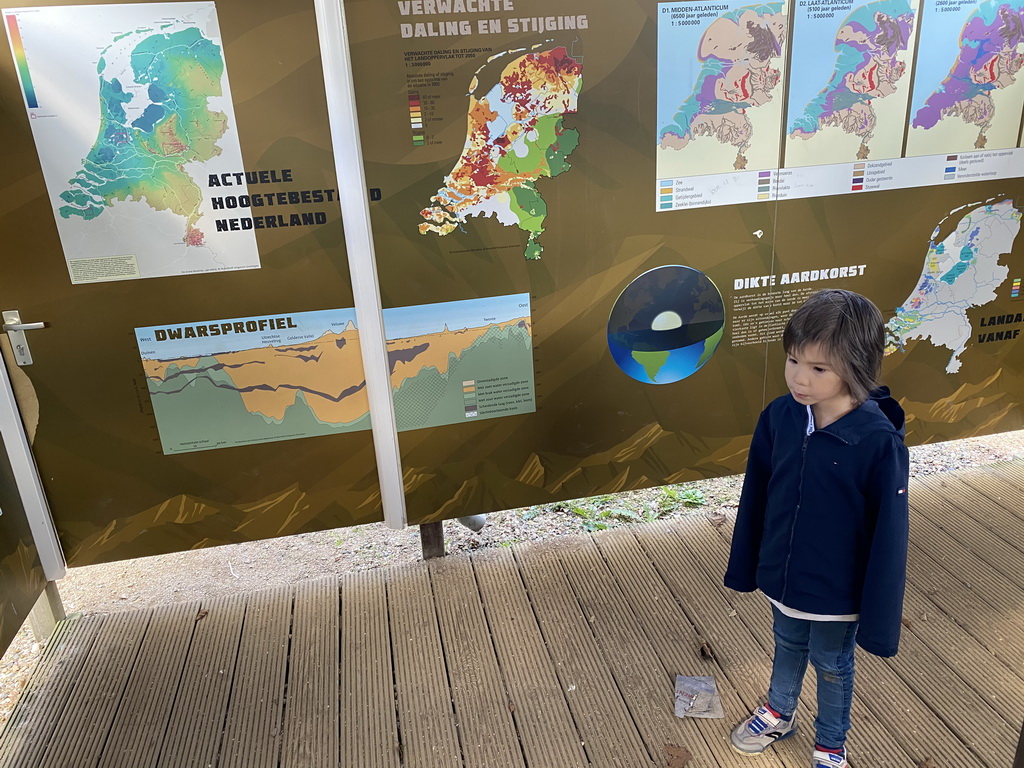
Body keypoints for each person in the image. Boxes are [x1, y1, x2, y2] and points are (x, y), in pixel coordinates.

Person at [724, 289, 910, 768]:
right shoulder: (780, 417)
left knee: (832, 664)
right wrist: (752, 565)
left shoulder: (876, 442)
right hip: (786, 577)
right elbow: (757, 494)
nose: (798, 378)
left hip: (837, 592)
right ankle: (778, 711)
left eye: (818, 369)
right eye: (792, 361)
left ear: (857, 367)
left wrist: (877, 613)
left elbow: (889, 535)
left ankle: (831, 743)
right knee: (786, 643)